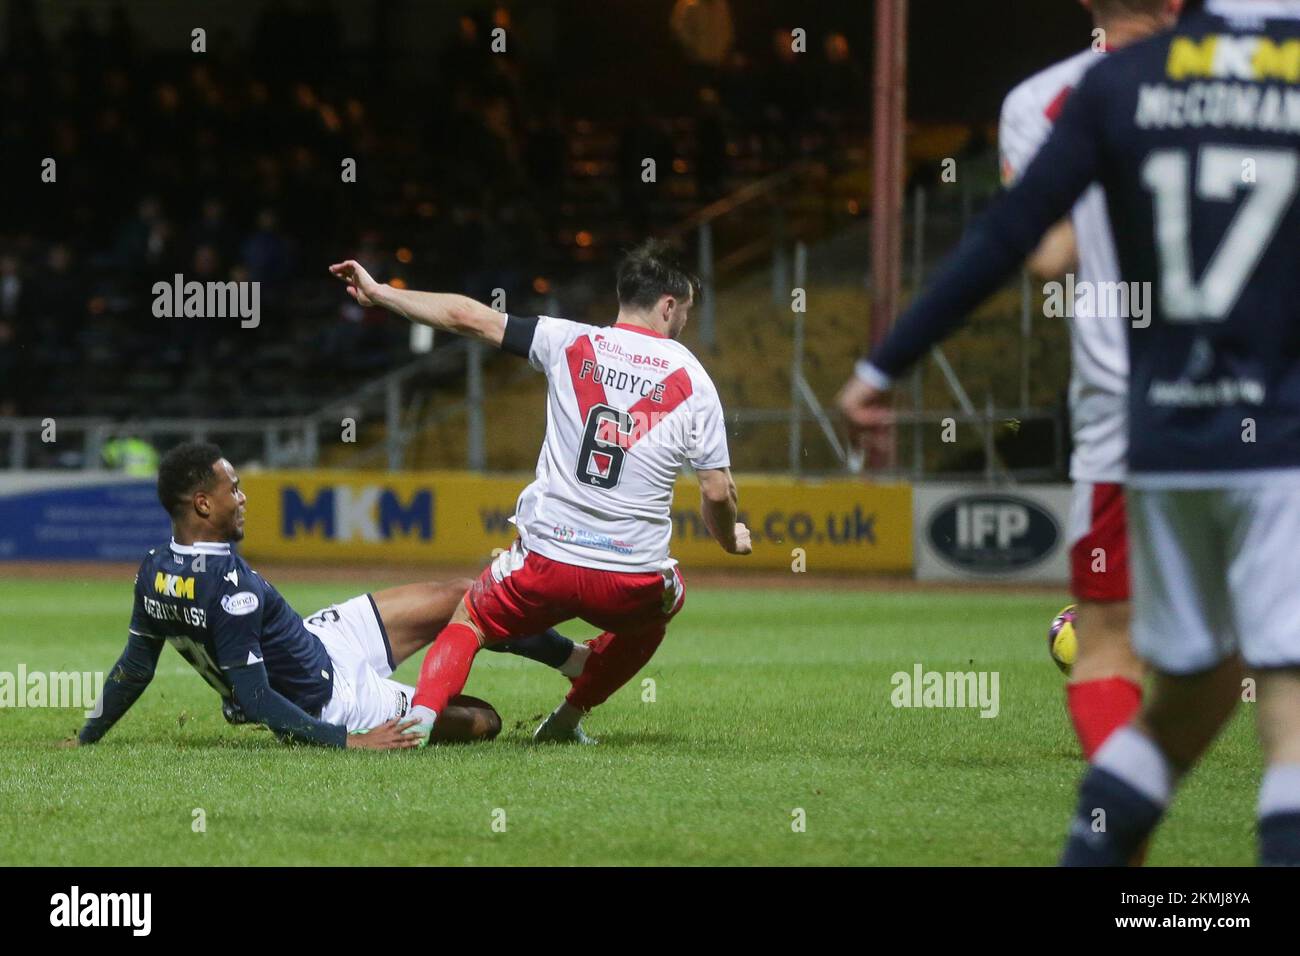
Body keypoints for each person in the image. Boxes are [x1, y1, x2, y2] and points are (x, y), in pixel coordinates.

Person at [838, 0, 1300, 864]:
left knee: (1165, 676)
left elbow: (1030, 246)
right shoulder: (1281, 72)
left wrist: (882, 365)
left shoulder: (1082, 91)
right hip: (1273, 421)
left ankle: (1103, 850)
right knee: (1286, 703)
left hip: (1142, 421)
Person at [329, 239, 751, 747]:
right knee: (659, 611)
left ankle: (419, 720)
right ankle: (567, 720)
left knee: (472, 620)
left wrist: (381, 293)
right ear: (667, 305)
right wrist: (730, 540)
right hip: (630, 577)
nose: (683, 321)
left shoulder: (566, 341)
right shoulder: (694, 379)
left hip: (546, 562)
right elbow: (717, 489)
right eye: (684, 310)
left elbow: (468, 316)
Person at [72, 442, 584, 751]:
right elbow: (255, 698)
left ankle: (575, 662)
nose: (244, 497)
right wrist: (349, 741)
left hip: (319, 638)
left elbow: (135, 667)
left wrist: (85, 736)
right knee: (484, 721)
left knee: (462, 595)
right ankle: (577, 669)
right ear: (203, 503)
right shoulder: (229, 590)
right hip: (335, 701)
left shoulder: (153, 568)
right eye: (235, 489)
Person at [998, 0, 1185, 763]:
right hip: (1261, 397)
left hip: (1123, 410)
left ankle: (1120, 835)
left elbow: (1047, 256)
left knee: (1106, 645)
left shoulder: (1045, 99)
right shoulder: (1261, 74)